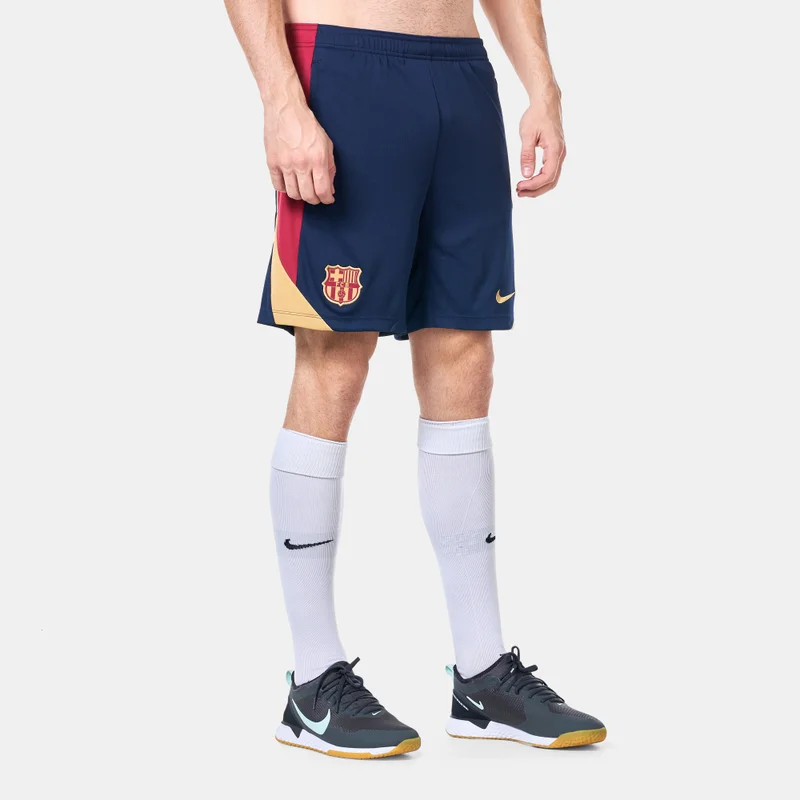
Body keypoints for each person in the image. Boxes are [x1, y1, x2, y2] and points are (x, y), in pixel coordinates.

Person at [223, 0, 605, 759]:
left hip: (461, 76)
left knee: (464, 348)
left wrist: (543, 87)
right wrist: (281, 100)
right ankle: (312, 681)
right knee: (336, 352)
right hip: (341, 68)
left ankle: (482, 674)